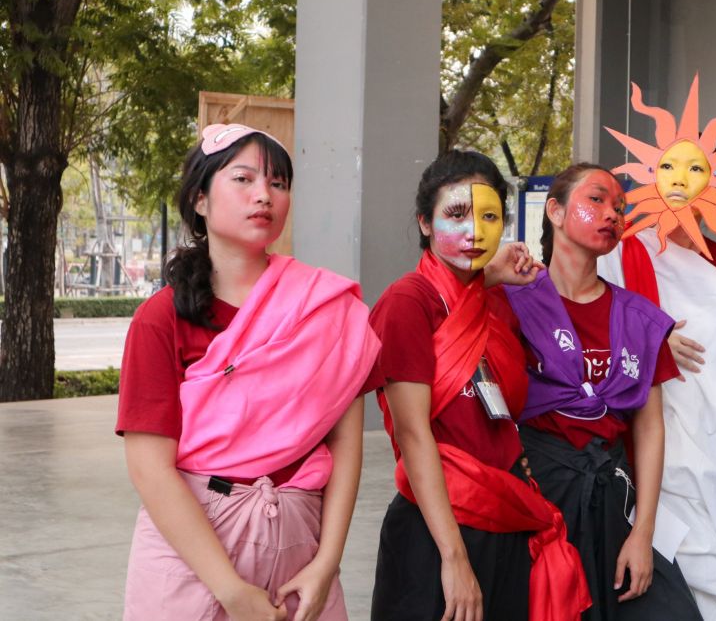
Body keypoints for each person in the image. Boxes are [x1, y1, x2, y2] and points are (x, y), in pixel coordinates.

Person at [117, 123, 382, 621]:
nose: (264, 195)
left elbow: (346, 445)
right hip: (193, 554)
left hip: (300, 551)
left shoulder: (325, 309)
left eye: (278, 183)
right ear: (199, 199)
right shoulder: (161, 318)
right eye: (243, 179)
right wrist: (231, 591)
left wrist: (327, 563)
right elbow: (149, 468)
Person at [369, 150, 589, 621]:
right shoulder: (407, 302)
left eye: (489, 216)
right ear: (425, 223)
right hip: (438, 528)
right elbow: (412, 434)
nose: (474, 230)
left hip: (507, 516)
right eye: (456, 214)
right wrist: (453, 558)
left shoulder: (497, 302)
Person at [599, 76, 716, 621]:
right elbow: (588, 340)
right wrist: (650, 337)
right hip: (646, 450)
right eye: (669, 169)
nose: (681, 182)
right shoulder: (620, 258)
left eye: (697, 170)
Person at [504, 164, 703, 621]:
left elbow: (649, 428)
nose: (612, 213)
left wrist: (643, 533)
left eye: (620, 207)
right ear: (555, 211)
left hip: (613, 496)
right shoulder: (513, 302)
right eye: (596, 200)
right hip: (538, 497)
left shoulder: (638, 317)